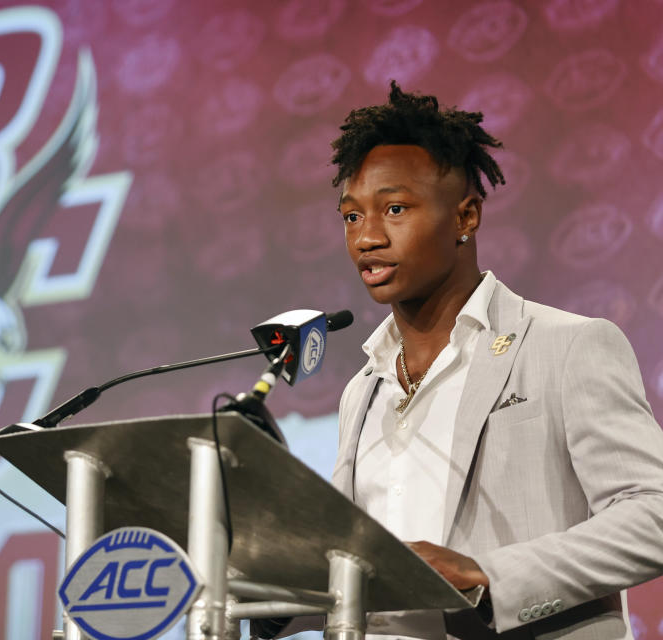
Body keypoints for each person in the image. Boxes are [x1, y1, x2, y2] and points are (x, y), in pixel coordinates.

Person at [258, 83, 663, 639]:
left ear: (466, 216)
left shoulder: (566, 345)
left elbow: (653, 514)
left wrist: (489, 576)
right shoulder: (364, 388)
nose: (367, 238)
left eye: (394, 209)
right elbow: (360, 571)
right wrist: (276, 596)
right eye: (352, 218)